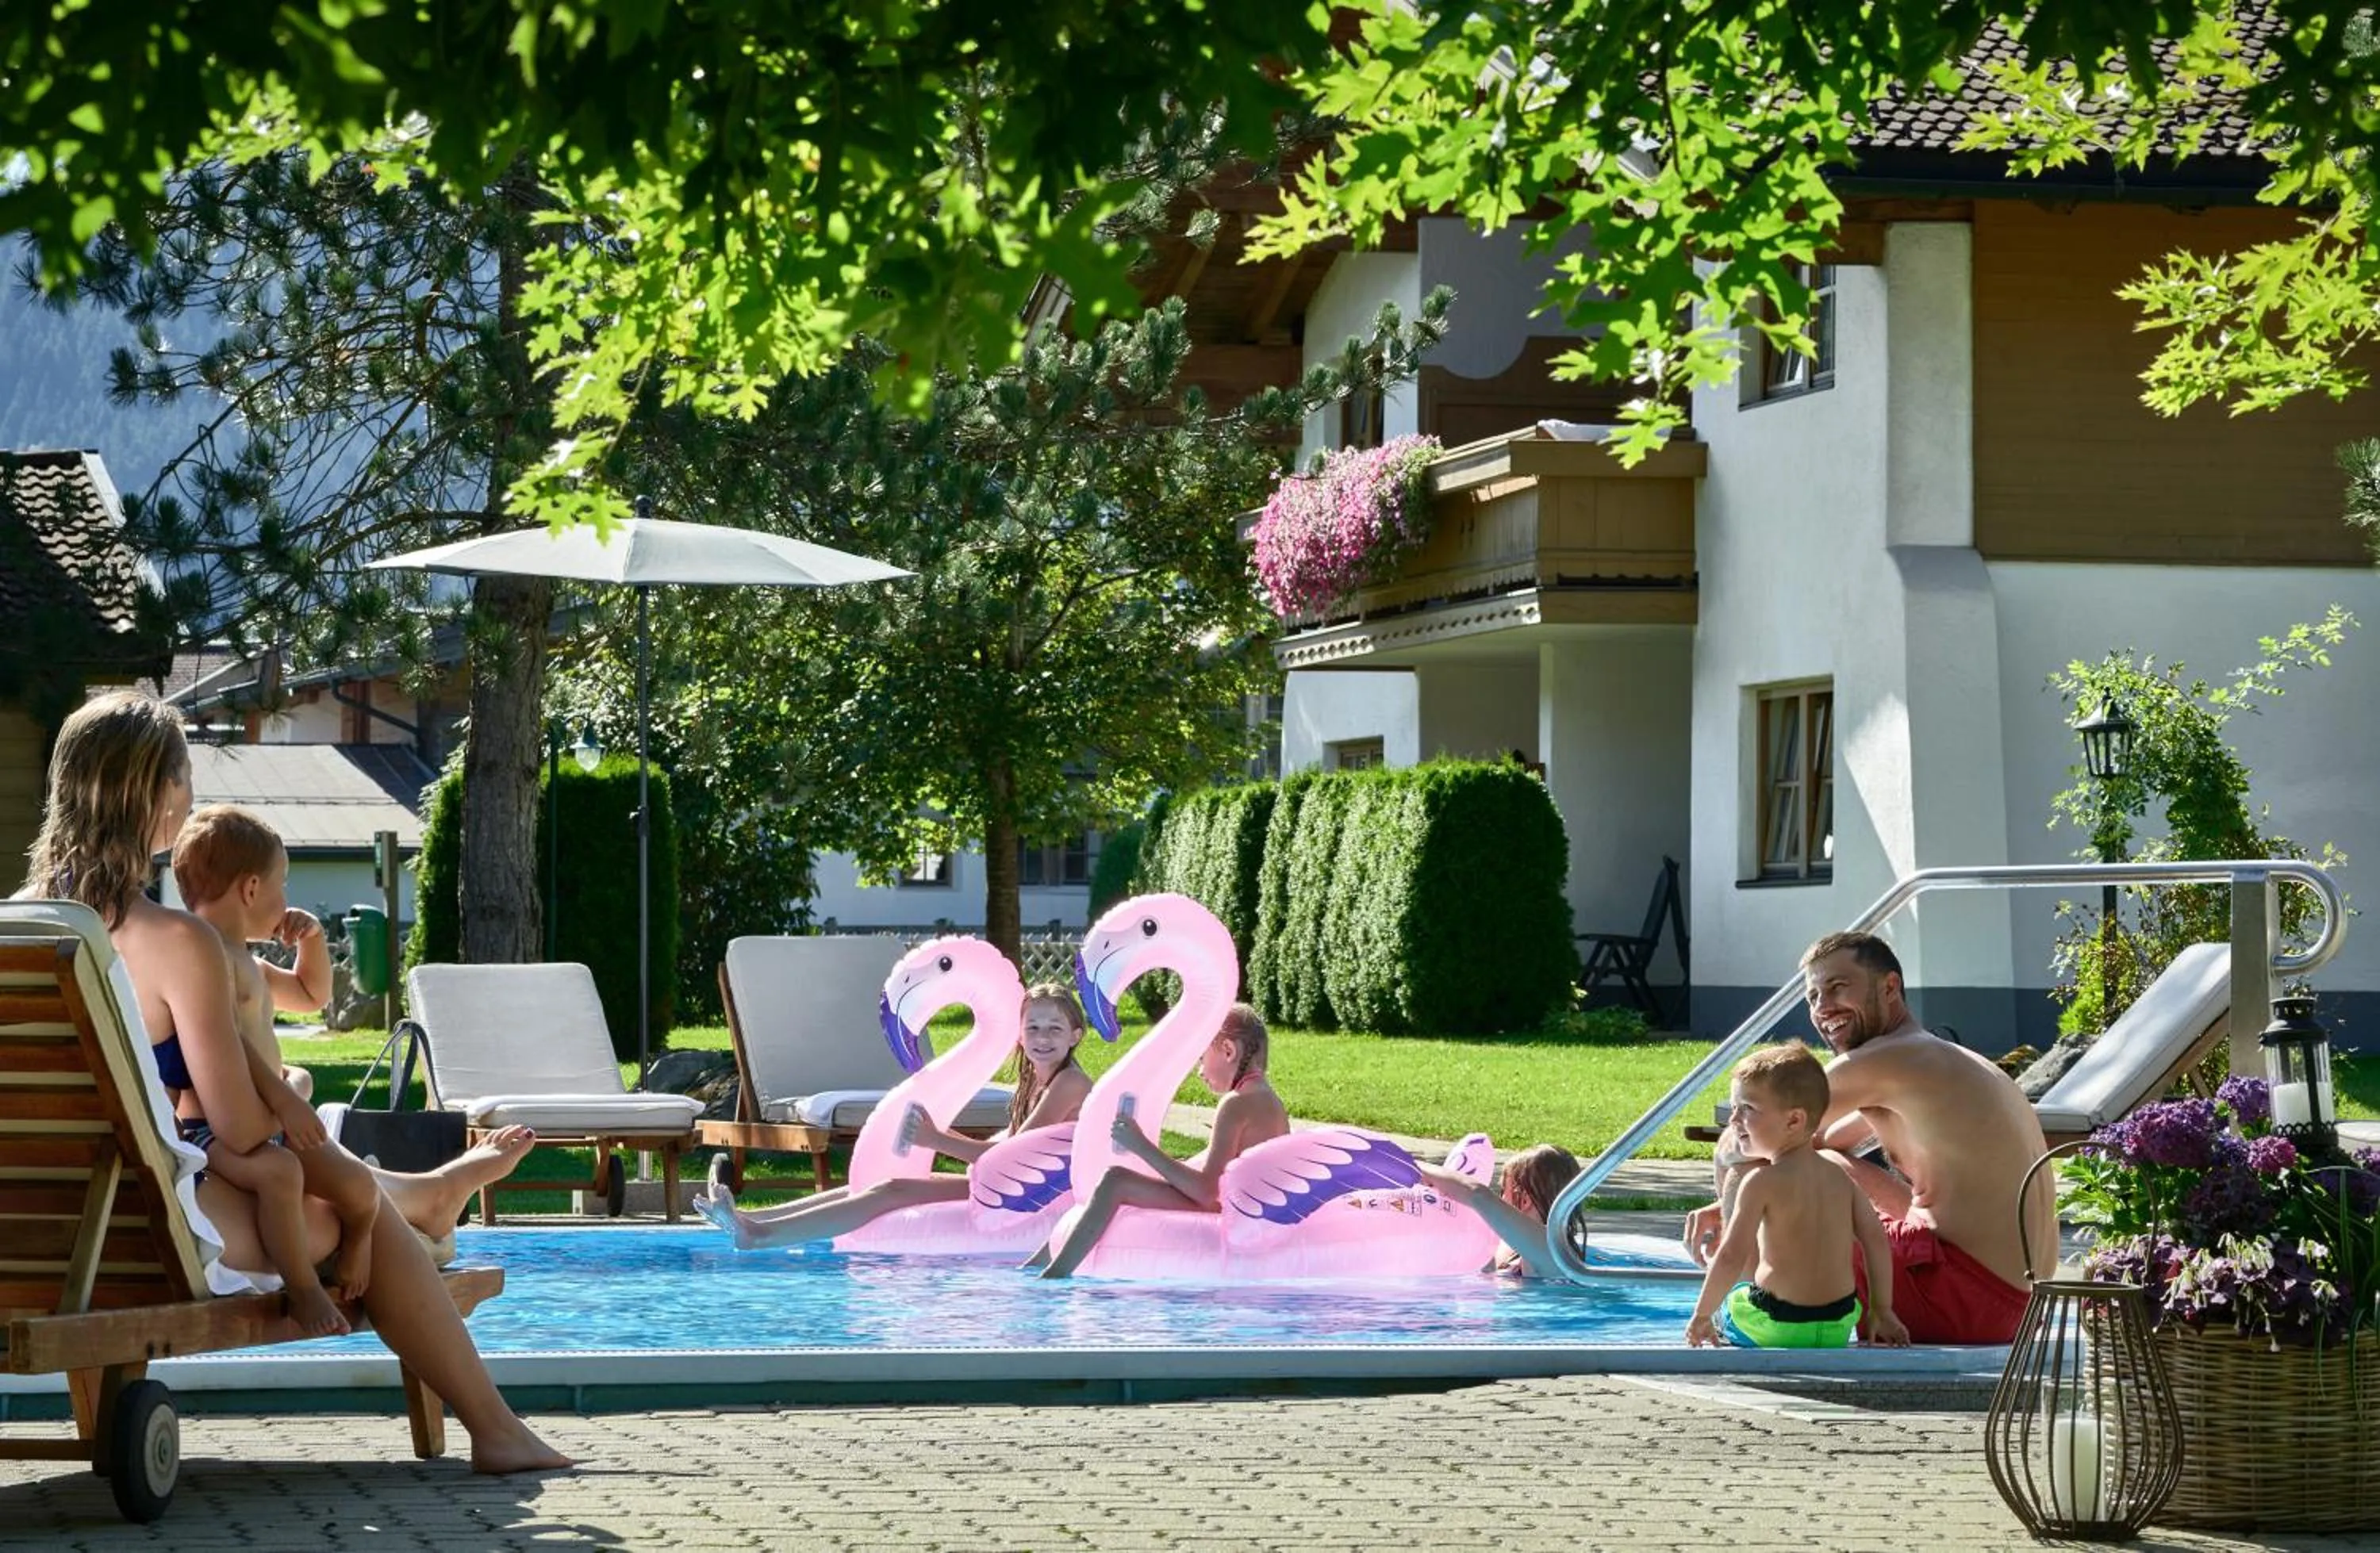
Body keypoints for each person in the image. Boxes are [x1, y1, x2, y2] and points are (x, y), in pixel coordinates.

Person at [23, 689, 569, 1472]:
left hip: (34, 1220)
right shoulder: (178, 941)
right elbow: (241, 1131)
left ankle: (425, 1200)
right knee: (375, 1221)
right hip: (140, 1229)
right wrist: (286, 1099)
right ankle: (495, 1428)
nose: (189, 796)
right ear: (159, 797)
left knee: (360, 1202)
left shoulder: (19, 923)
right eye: (184, 778)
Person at [1683, 931, 2055, 1346]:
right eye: (1812, 997)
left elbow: (1754, 1134)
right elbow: (1820, 1144)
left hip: (1962, 1300)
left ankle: (1764, 1318)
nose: (1824, 1007)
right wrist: (1752, 1202)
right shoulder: (1936, 1057)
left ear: (1889, 986)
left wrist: (1747, 1194)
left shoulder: (1884, 1060)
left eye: (1838, 988)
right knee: (1798, 1157)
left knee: (1745, 1158)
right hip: (2022, 1306)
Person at [167, 804, 384, 1333]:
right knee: (279, 1174)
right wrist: (288, 1097)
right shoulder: (207, 962)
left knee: (359, 1188)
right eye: (282, 885)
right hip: (213, 1133)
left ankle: (360, 1240)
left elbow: (312, 995)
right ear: (250, 889)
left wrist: (311, 944)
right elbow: (231, 1047)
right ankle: (303, 1289)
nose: (286, 901)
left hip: (274, 1123)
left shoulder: (251, 962)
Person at [690, 984, 1093, 1248]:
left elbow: (1011, 1164)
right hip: (1016, 1188)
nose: (1042, 1038)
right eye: (1034, 1028)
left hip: (1036, 1197)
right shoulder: (1039, 1081)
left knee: (893, 1192)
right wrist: (943, 1137)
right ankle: (751, 1218)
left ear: (1076, 1036)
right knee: (879, 1183)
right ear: (1020, 1036)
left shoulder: (1068, 1084)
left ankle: (760, 1236)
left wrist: (938, 1140)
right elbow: (1008, 1147)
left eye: (1055, 1029)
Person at [1033, 1001, 1289, 1279]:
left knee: (1115, 1181)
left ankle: (1052, 1278)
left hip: (1230, 1207)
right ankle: (1038, 1266)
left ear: (1228, 1051)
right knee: (1155, 1171)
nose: (1199, 1070)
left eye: (1201, 1057)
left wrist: (1140, 1145)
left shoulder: (1236, 1104)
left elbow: (1208, 1193)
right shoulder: (1270, 1101)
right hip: (1250, 1208)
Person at [1685, 1045, 1907, 1348]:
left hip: (1777, 1326)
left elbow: (1729, 1256)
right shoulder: (1842, 1179)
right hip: (1837, 1326)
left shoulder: (1760, 1181)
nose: (1734, 1119)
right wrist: (1882, 1310)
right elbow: (1876, 1241)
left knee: (1735, 1297)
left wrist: (1701, 1315)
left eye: (1747, 1108)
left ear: (1794, 1121)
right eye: (1734, 1107)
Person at [1416, 1143, 1581, 1279]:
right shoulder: (1510, 1249)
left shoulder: (1553, 1250)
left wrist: (1411, 1165)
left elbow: (1477, 1194)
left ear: (1524, 1200)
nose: (1499, 1198)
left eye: (1503, 1190)